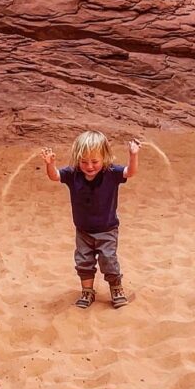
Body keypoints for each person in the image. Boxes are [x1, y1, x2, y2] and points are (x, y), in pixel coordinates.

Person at [41, 130, 140, 309]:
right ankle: (87, 291)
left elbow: (130, 172)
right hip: (83, 230)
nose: (89, 166)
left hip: (107, 229)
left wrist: (133, 155)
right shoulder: (73, 174)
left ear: (105, 158)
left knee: (108, 259)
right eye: (84, 161)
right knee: (83, 261)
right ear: (78, 159)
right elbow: (54, 176)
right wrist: (50, 164)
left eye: (95, 161)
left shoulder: (111, 172)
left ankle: (116, 287)